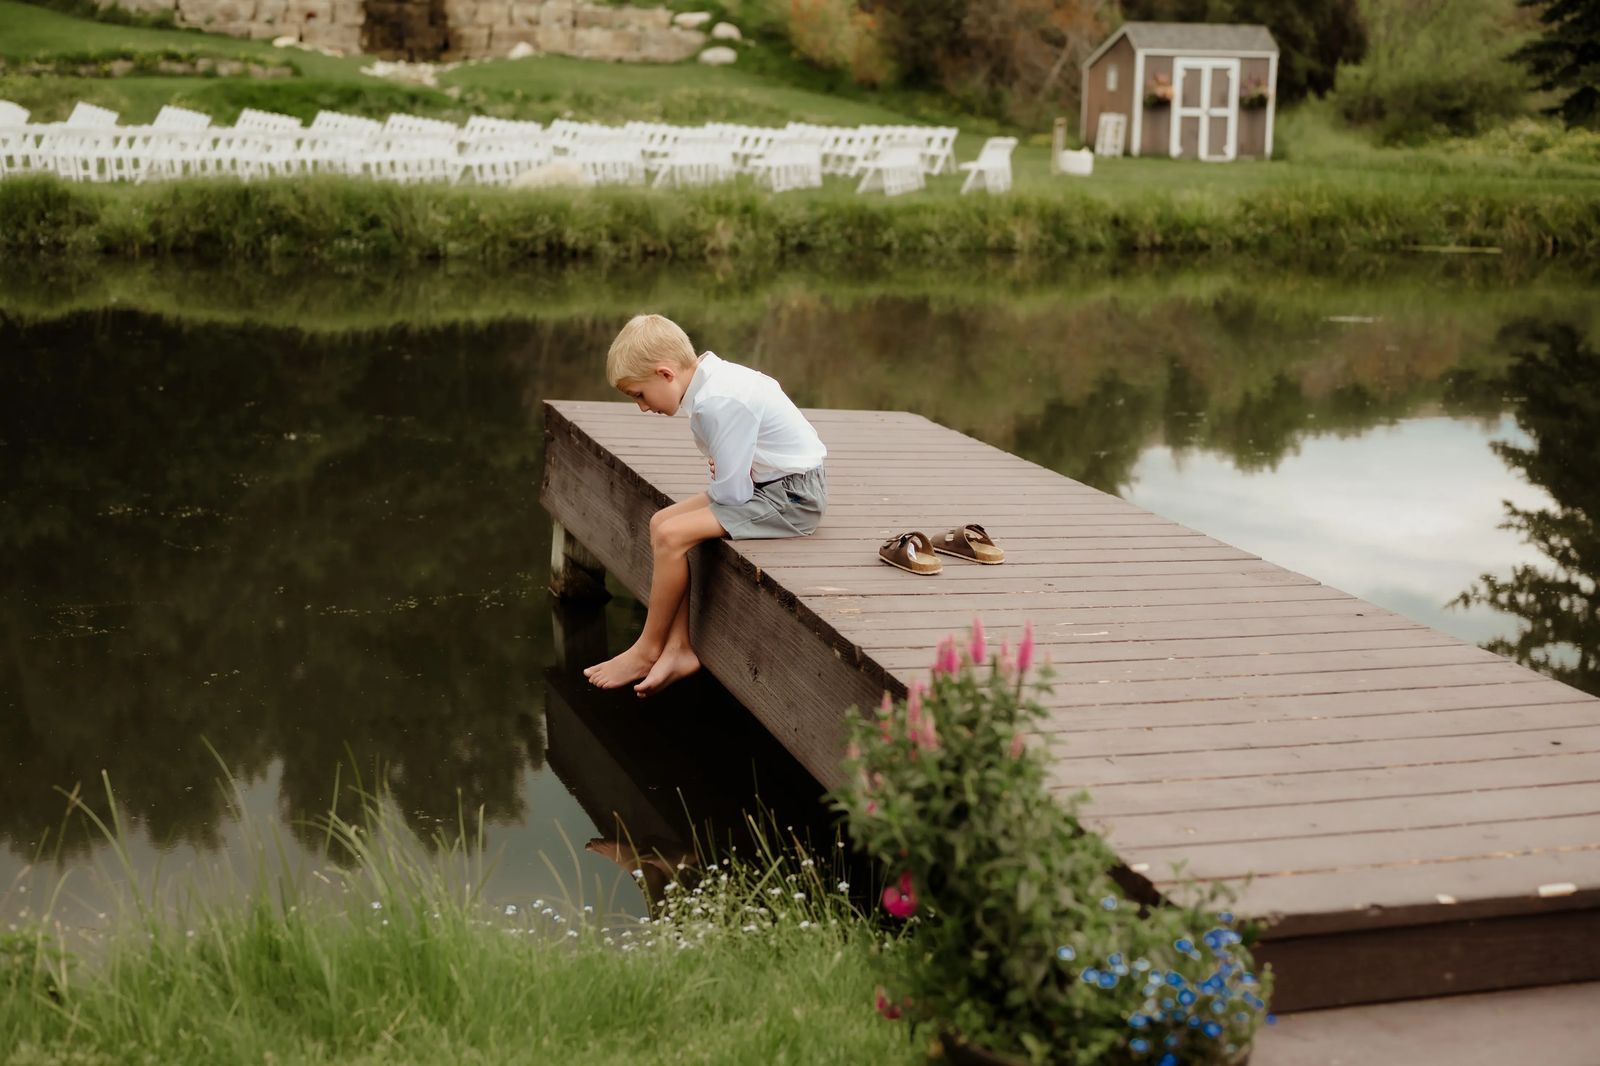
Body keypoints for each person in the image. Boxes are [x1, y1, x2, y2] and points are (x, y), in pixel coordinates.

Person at [584, 314, 828, 697]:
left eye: (639, 395)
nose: (642, 408)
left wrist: (728, 471)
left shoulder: (717, 402)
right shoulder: (712, 381)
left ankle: (647, 650)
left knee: (672, 535)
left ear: (665, 374)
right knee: (661, 522)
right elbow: (732, 477)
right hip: (767, 483)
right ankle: (678, 647)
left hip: (793, 498)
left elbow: (732, 493)